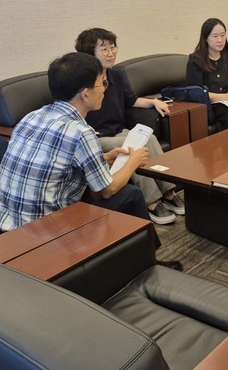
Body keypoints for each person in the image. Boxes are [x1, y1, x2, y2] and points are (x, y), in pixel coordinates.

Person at [0, 52, 151, 232]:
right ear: (86, 94)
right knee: (131, 194)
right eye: (102, 83)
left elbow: (54, 162)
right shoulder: (80, 132)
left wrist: (104, 157)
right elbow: (107, 190)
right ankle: (145, 250)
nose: (105, 89)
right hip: (42, 235)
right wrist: (133, 161)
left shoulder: (31, 117)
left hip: (1, 229)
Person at [75, 28, 183, 225]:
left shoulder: (115, 75)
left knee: (148, 136)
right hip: (98, 137)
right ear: (89, 55)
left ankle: (169, 192)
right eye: (104, 49)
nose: (111, 53)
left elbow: (131, 100)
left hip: (119, 130)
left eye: (113, 47)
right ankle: (151, 202)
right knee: (137, 144)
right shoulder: (84, 84)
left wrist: (154, 102)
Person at [186, 17, 228, 130]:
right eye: (215, 36)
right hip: (210, 105)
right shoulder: (196, 61)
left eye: (223, 35)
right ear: (206, 38)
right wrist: (226, 97)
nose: (220, 40)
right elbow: (197, 94)